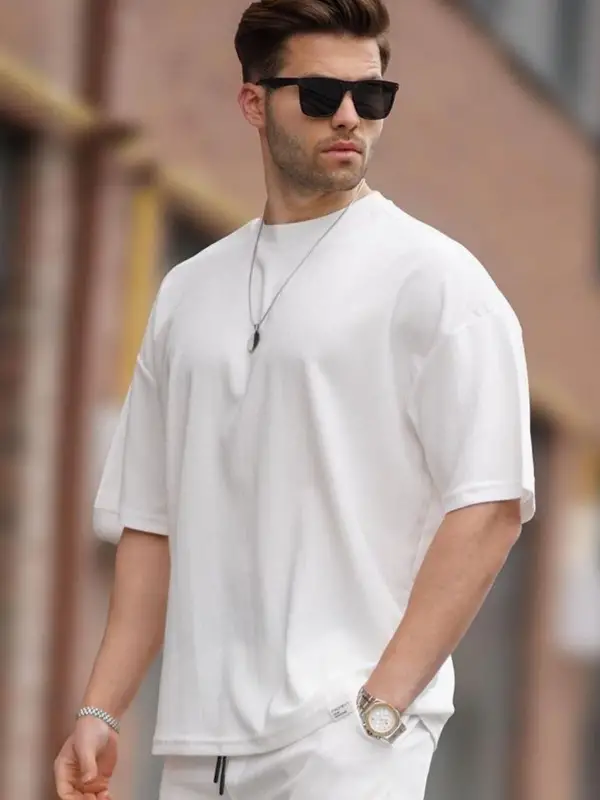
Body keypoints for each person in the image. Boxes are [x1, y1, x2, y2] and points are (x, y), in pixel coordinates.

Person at [54, 0, 536, 798]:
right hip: (196, 749)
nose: (349, 117)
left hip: (346, 740)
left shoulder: (438, 282)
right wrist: (101, 708)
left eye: (371, 96)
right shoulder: (188, 292)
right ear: (254, 102)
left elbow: (488, 506)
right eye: (319, 95)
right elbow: (150, 522)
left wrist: (381, 707)